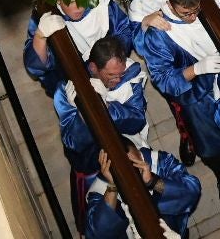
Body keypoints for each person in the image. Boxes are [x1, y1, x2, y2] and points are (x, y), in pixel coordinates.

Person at [136, 0, 220, 211]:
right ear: (171, 4)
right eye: (186, 13)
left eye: (196, 10)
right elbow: (163, 80)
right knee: (210, 148)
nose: (193, 17)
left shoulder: (209, 2)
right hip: (198, 98)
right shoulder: (159, 34)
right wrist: (196, 69)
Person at [52, 35, 149, 219]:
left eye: (120, 73)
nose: (118, 80)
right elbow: (73, 142)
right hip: (91, 167)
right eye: (111, 75)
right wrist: (83, 113)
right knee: (100, 222)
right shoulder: (67, 88)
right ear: (93, 68)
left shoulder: (130, 75)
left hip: (128, 157)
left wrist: (107, 107)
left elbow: (137, 120)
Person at [84, 140, 200, 239]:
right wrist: (112, 187)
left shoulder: (161, 162)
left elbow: (191, 192)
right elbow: (99, 234)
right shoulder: (99, 190)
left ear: (138, 152)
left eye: (133, 163)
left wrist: (153, 182)